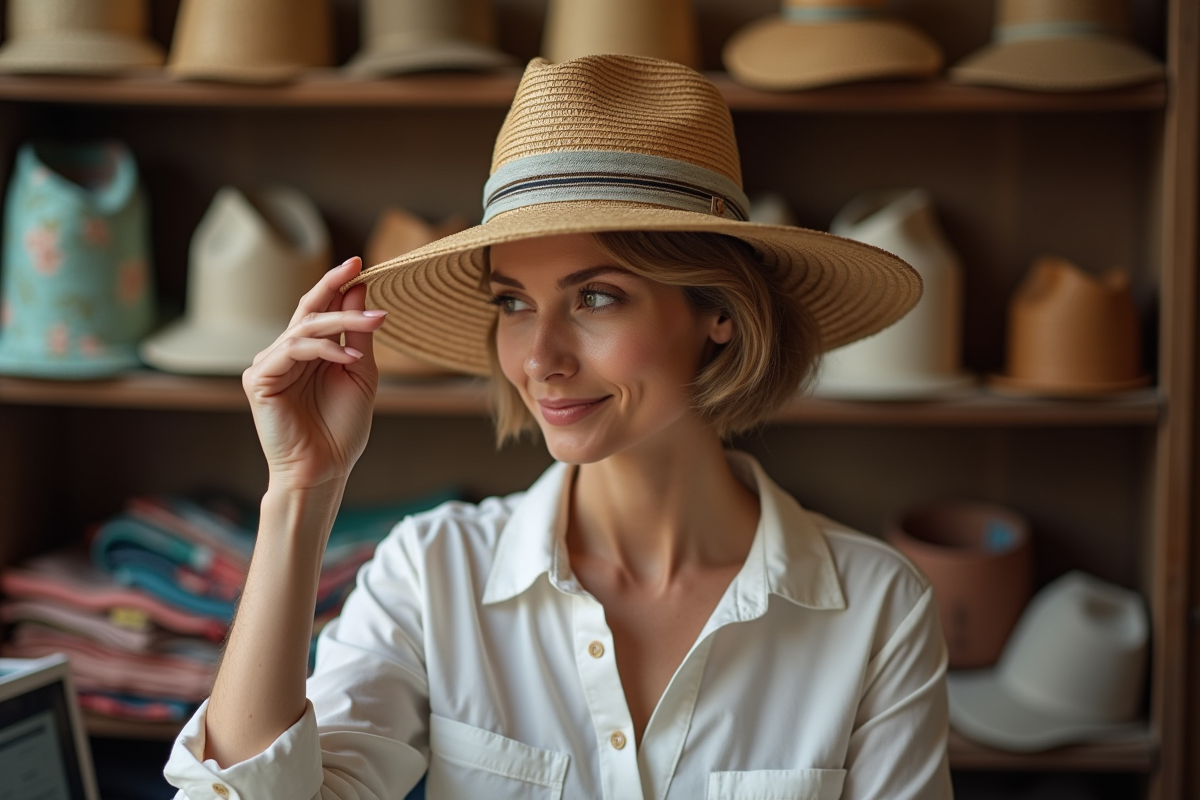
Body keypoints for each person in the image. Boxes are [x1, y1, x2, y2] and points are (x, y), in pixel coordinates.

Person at [165, 54, 951, 800]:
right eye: (513, 302)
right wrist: (301, 491)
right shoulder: (435, 575)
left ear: (717, 310)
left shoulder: (876, 608)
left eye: (596, 297)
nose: (539, 357)